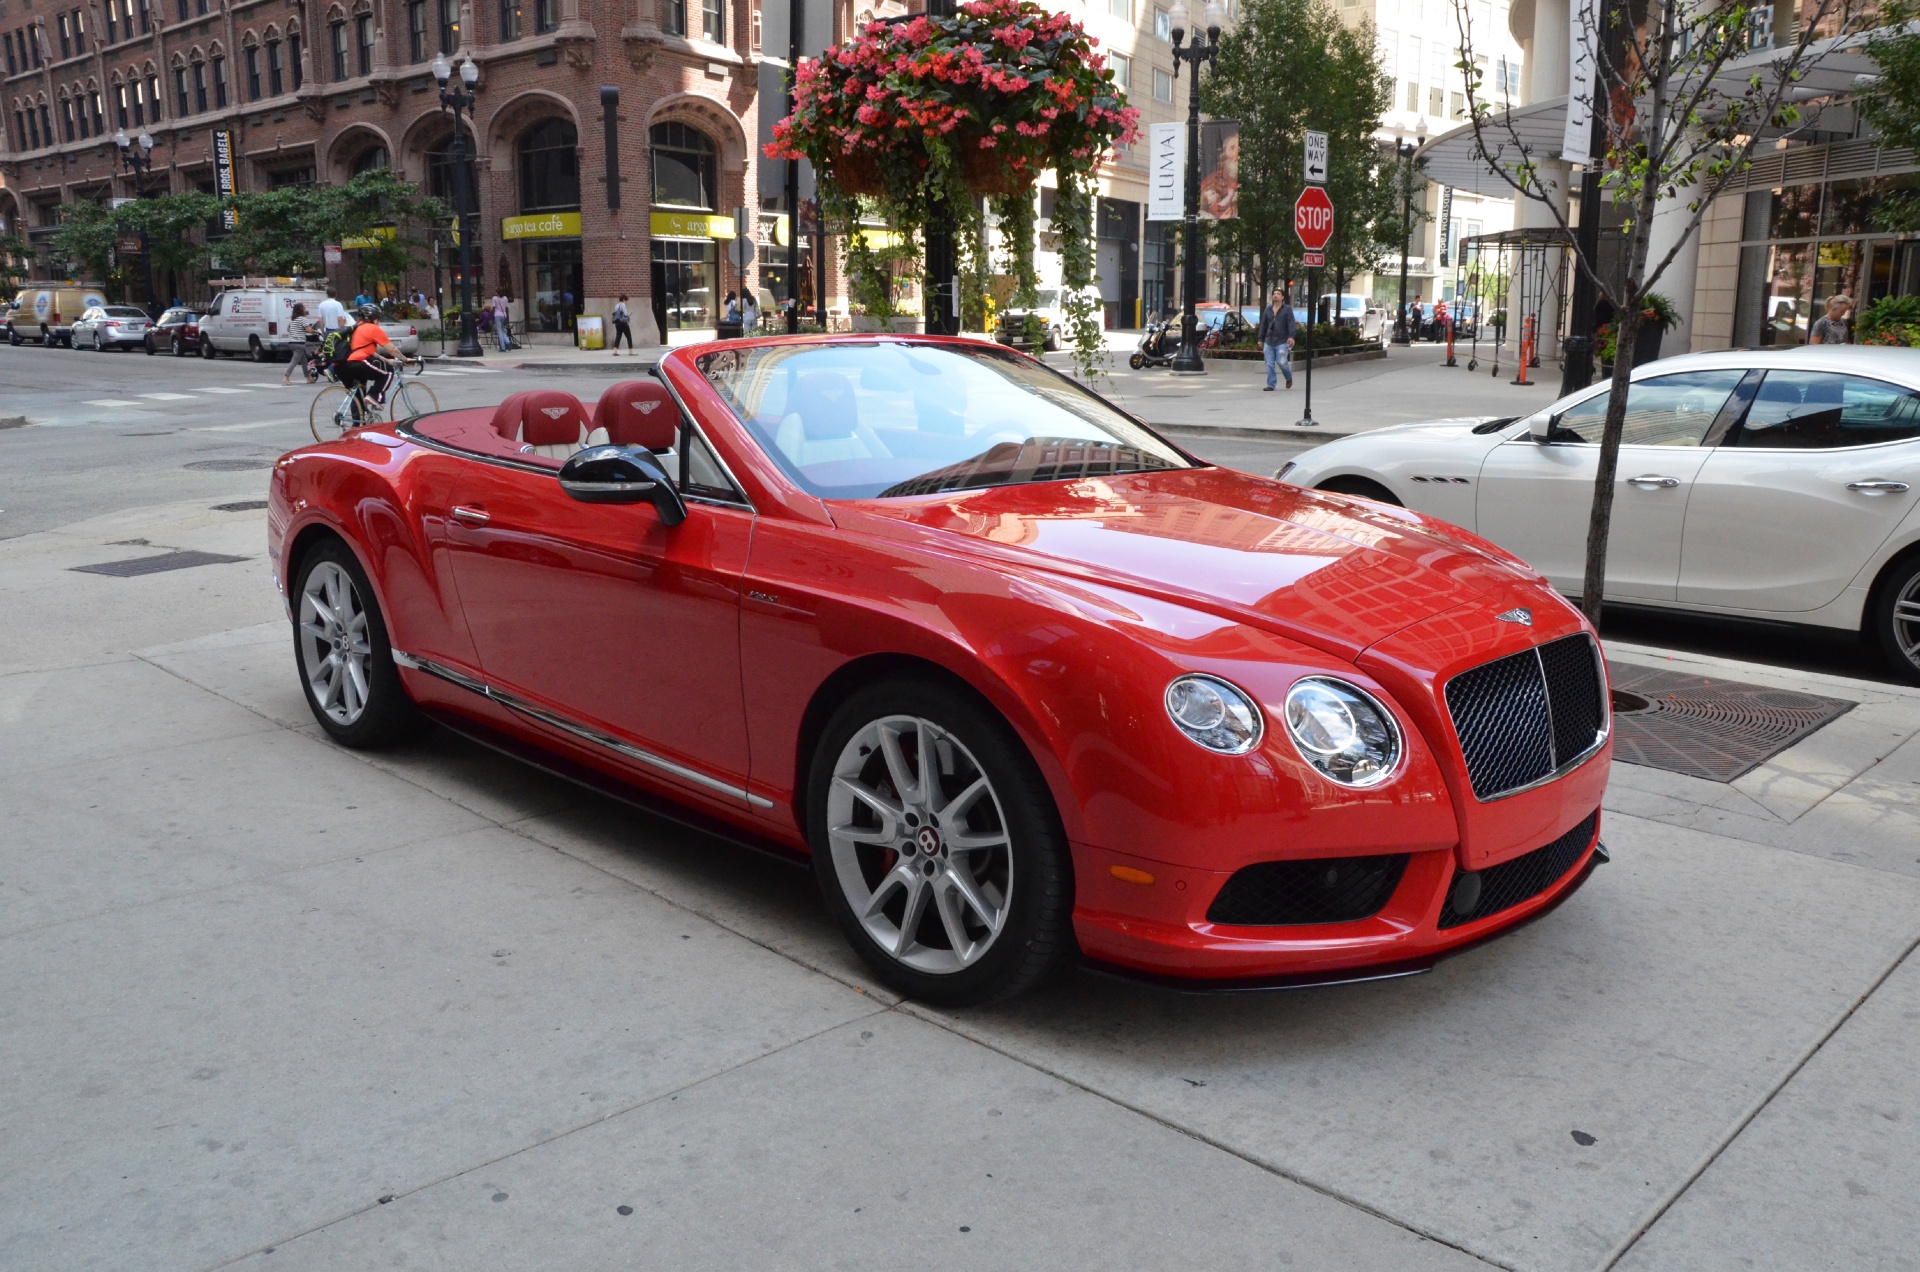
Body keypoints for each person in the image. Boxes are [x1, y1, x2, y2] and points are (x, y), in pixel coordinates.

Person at [338, 313, 401, 408]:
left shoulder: (357, 328)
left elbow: (370, 352)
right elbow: (391, 349)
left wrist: (387, 360)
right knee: (388, 372)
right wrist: (406, 359)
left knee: (359, 395)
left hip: (346, 365)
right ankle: (374, 396)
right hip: (359, 362)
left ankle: (359, 422)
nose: (378, 322)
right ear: (374, 319)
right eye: (378, 319)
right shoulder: (373, 328)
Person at [1257, 287, 1297, 391]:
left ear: (1282, 297)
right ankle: (1271, 384)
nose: (1276, 295)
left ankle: (1288, 377)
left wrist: (1291, 336)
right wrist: (1260, 339)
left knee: (1282, 362)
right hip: (1269, 340)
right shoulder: (1268, 309)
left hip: (1282, 340)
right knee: (1269, 363)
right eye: (1274, 293)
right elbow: (1264, 325)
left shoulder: (1287, 309)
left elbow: (1291, 323)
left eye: (1278, 294)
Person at [281, 302, 321, 386]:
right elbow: (309, 330)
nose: (305, 309)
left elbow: (289, 329)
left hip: (292, 342)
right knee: (294, 361)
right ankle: (286, 377)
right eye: (304, 308)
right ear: (301, 310)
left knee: (304, 360)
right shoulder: (302, 319)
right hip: (299, 343)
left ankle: (308, 378)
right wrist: (316, 331)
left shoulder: (293, 320)